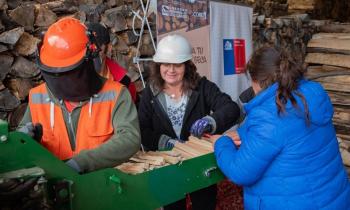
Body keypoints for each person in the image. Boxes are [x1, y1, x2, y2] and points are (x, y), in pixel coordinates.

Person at [212, 46, 350, 209]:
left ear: (256, 80)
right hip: (334, 199)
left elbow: (239, 172)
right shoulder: (311, 93)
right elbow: (283, 131)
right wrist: (242, 132)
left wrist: (221, 142)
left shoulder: (268, 116)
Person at [18, 17, 141, 173]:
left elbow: (129, 138)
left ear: (92, 58)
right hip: (50, 183)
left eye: (68, 73)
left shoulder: (116, 94)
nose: (63, 81)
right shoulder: (37, 96)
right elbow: (21, 134)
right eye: (56, 73)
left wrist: (81, 163)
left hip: (100, 185)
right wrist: (23, 139)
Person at [138, 34, 240, 210]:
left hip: (199, 163)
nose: (171, 70)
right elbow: (141, 128)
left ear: (186, 65)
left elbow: (231, 108)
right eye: (166, 64)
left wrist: (210, 121)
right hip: (167, 166)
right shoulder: (150, 93)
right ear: (158, 65)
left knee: (204, 204)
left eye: (177, 64)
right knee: (173, 206)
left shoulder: (202, 86)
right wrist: (165, 142)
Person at [86, 22, 138, 103]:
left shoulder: (124, 83)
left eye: (97, 48)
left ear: (109, 48)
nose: (91, 53)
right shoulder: (73, 80)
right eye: (87, 48)